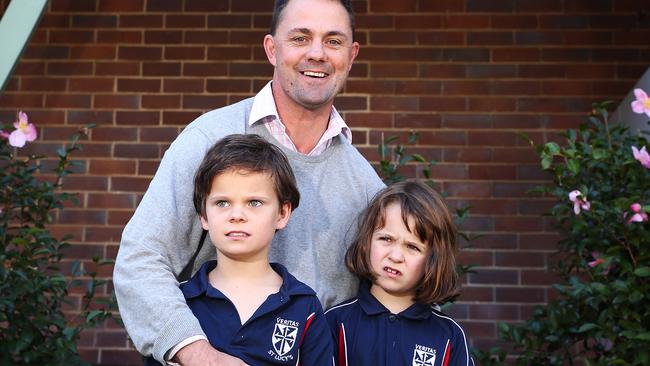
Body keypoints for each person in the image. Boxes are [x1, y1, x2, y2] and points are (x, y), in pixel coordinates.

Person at [113, 0, 385, 364]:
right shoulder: (208, 139)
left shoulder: (365, 186)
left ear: (351, 56)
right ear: (272, 49)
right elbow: (141, 259)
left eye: (333, 41)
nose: (317, 54)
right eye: (301, 37)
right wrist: (200, 356)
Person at [144, 134, 333, 365]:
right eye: (222, 203)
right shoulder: (179, 304)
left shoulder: (304, 307)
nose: (236, 215)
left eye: (254, 202)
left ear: (282, 214)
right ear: (204, 215)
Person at [325, 180, 474, 366]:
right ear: (367, 241)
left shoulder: (449, 336)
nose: (395, 256)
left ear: (433, 259)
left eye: (412, 246)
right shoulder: (336, 322)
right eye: (386, 239)